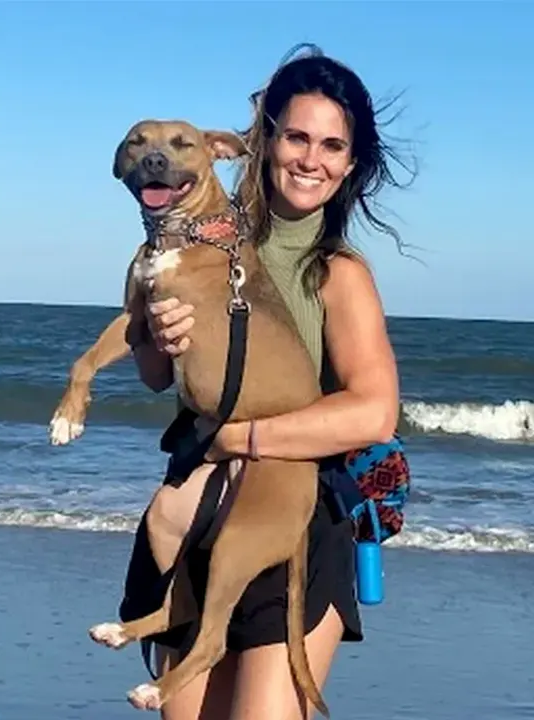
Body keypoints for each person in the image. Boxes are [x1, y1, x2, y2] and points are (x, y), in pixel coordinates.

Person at [120, 44, 414, 720]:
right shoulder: (201, 242)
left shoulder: (337, 273)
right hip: (198, 513)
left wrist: (240, 439)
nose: (311, 160)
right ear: (267, 139)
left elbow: (373, 413)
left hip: (295, 524)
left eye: (333, 146)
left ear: (350, 164)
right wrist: (155, 333)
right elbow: (157, 379)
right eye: (297, 137)